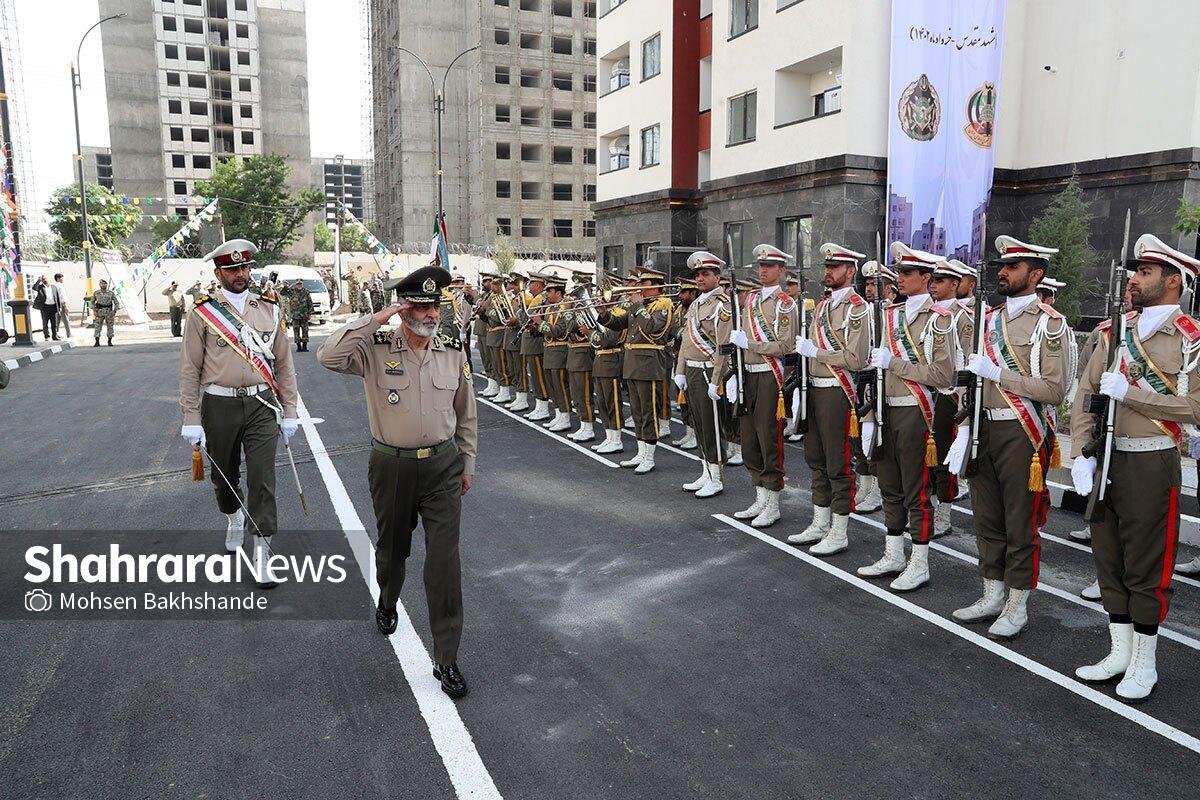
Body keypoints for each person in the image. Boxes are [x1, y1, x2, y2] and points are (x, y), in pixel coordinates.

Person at [317, 266, 477, 700]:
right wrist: (378, 316)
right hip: (392, 465)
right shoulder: (375, 348)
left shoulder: (451, 351)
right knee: (392, 549)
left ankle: (446, 659)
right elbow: (328, 356)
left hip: (442, 467)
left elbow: (467, 411)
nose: (429, 314)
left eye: (434, 306)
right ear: (404, 309)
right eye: (419, 306)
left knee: (444, 563)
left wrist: (467, 461)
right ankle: (387, 598)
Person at [1069, 234, 1200, 702]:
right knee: (1109, 558)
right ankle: (1119, 650)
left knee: (1145, 566)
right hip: (1106, 458)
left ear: (1173, 282)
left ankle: (1146, 659)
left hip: (1150, 460)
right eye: (1134, 271)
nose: (1133, 279)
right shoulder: (1111, 331)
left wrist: (1133, 394)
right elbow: (1085, 396)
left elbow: (1195, 407)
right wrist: (1080, 451)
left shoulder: (1190, 340)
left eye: (1144, 272)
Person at [946, 236, 1071, 640]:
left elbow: (1054, 389)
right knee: (986, 517)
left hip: (1022, 432)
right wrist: (963, 426)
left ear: (1035, 275)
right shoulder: (985, 319)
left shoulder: (1050, 324)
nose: (1002, 271)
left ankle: (1017, 603)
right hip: (982, 426)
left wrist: (1000, 374)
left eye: (1013, 266)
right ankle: (991, 593)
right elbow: (967, 378)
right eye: (1002, 265)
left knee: (1020, 521)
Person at [178, 239, 300, 579]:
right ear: (219, 273)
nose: (241, 274)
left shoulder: (269, 307)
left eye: (245, 267)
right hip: (218, 405)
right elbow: (190, 367)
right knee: (224, 476)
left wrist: (289, 409)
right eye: (232, 269)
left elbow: (284, 365)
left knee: (263, 479)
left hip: (262, 403)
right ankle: (233, 516)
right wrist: (191, 416)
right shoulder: (202, 312)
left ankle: (262, 550)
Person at [857, 242, 955, 591]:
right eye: (898, 272)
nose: (899, 277)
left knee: (916, 490)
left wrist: (894, 363)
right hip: (885, 410)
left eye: (907, 273)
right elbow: (871, 367)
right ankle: (894, 553)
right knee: (890, 487)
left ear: (927, 278)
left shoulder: (939, 320)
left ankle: (919, 561)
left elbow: (944, 376)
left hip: (916, 412)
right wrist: (868, 416)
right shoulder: (887, 314)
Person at [789, 243, 871, 554]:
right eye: (827, 266)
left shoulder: (858, 308)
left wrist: (818, 353)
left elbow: (856, 358)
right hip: (814, 388)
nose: (828, 271)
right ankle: (820, 520)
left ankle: (839, 529)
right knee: (815, 458)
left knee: (837, 463)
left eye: (835, 267)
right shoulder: (822, 308)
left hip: (838, 391)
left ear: (850, 271)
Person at [714, 245, 798, 527]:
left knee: (768, 438)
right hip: (747, 373)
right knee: (748, 439)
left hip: (769, 376)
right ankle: (760, 496)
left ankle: (773, 502)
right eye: (761, 266)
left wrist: (749, 344)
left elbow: (785, 346)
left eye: (770, 266)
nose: (763, 271)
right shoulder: (748, 300)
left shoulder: (786, 303)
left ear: (781, 270)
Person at [599, 267, 677, 473]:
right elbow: (619, 324)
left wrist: (638, 306)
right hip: (632, 364)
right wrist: (604, 314)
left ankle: (649, 457)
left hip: (649, 364)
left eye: (645, 284)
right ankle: (641, 452)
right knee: (637, 411)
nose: (640, 287)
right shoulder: (640, 306)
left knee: (648, 411)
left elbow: (653, 329)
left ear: (657, 286)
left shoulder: (664, 304)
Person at [675, 251, 732, 497]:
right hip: (693, 370)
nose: (700, 278)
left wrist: (717, 379)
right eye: (697, 274)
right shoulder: (697, 303)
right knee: (698, 422)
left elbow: (723, 345)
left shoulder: (722, 305)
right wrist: (680, 371)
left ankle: (717, 477)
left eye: (705, 274)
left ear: (717, 277)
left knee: (712, 425)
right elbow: (687, 340)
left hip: (710, 371)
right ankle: (705, 470)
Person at [288, 277, 314, 351]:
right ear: (296, 284)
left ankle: (305, 346)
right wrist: (289, 286)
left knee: (305, 331)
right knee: (296, 331)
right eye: (298, 284)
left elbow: (310, 303)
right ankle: (298, 346)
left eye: (300, 284)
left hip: (304, 315)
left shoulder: (306, 292)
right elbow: (282, 292)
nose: (299, 285)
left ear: (302, 284)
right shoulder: (292, 291)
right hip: (295, 315)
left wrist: (310, 313)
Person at [91, 280, 119, 347]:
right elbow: (92, 302)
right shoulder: (96, 293)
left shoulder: (111, 293)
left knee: (110, 326)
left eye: (104, 284)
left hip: (108, 311)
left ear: (106, 285)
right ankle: (97, 341)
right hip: (99, 311)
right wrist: (94, 311)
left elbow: (116, 302)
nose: (103, 285)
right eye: (101, 284)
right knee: (97, 326)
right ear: (99, 285)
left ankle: (109, 341)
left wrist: (114, 311)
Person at [54, 274, 72, 338]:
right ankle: (69, 334)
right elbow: (62, 297)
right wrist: (65, 306)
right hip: (62, 304)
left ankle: (55, 334)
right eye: (62, 278)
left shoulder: (54, 286)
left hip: (56, 305)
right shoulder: (60, 286)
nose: (63, 279)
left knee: (57, 320)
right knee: (66, 319)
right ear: (58, 278)